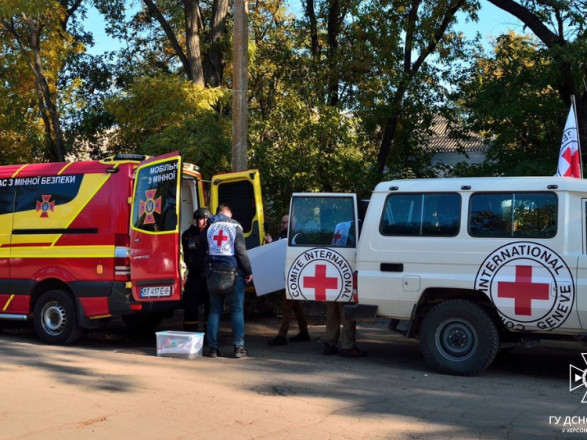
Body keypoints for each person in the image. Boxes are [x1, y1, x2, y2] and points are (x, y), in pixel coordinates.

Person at [205, 204, 253, 359]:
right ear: (229, 213)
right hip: (233, 274)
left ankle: (212, 349)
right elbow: (241, 251)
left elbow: (203, 250)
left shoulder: (209, 226)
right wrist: (248, 271)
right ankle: (238, 348)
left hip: (214, 273)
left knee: (214, 311)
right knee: (237, 311)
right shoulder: (235, 226)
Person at [265, 214, 310, 346]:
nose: (282, 224)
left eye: (285, 223)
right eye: (282, 222)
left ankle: (282, 335)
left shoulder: (299, 237)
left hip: (294, 275)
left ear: (293, 224)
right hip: (286, 274)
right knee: (296, 305)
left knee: (286, 305)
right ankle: (304, 332)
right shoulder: (283, 236)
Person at [181, 208, 211, 332]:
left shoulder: (212, 233)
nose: (201, 221)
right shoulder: (188, 234)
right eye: (199, 219)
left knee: (210, 307)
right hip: (194, 275)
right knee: (191, 306)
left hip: (209, 275)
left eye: (203, 219)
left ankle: (210, 338)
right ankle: (190, 335)